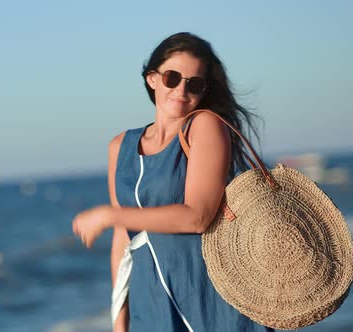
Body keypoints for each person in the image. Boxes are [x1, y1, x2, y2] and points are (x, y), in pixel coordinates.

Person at [71, 32, 275, 332]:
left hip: (207, 295)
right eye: (172, 77)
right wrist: (119, 321)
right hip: (149, 302)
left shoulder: (204, 127)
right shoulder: (120, 146)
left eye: (194, 83)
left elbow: (198, 216)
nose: (181, 89)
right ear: (152, 78)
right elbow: (123, 241)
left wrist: (109, 215)